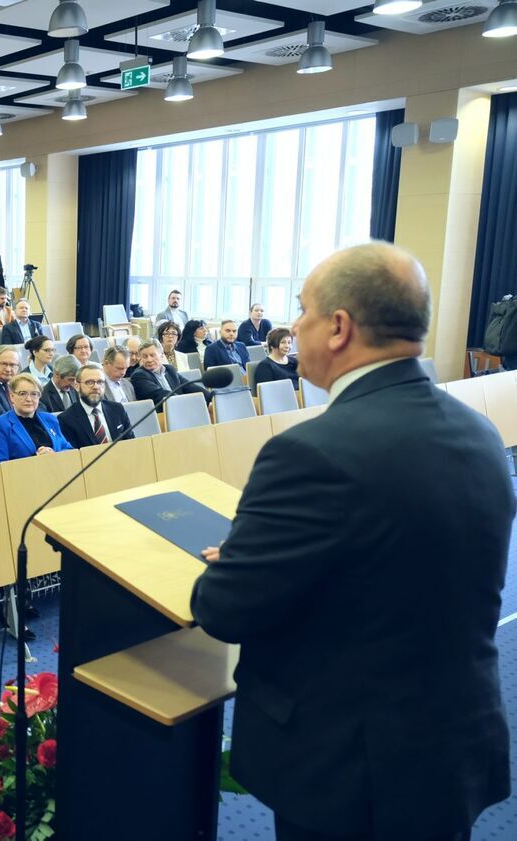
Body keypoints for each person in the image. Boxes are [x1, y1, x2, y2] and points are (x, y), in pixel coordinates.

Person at [191, 243, 515, 841]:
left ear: (339, 327)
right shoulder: (480, 432)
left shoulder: (312, 452)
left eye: (303, 310)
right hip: (451, 739)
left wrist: (237, 564)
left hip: (353, 765)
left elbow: (223, 608)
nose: (295, 326)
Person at [0, 373, 74, 462]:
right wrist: (35, 459)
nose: (29, 399)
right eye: (22, 393)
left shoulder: (50, 419)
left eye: (34, 394)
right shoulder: (0, 425)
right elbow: (0, 463)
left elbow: (69, 450)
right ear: (12, 396)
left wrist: (53, 454)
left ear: (39, 397)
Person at [58, 362, 134, 448]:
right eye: (89, 382)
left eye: (100, 382)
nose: (96, 387)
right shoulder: (66, 419)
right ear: (77, 386)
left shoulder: (117, 409)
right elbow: (71, 454)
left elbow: (131, 443)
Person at [130, 339, 210, 409]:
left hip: (181, 409)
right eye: (145, 356)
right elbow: (162, 396)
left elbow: (189, 386)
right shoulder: (139, 376)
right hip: (161, 416)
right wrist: (191, 403)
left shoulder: (169, 369)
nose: (149, 359)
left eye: (152, 355)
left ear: (161, 355)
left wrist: (211, 397)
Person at [250, 326, 300, 391]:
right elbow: (266, 393)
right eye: (283, 342)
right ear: (272, 346)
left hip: (300, 397)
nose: (287, 346)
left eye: (289, 342)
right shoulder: (265, 366)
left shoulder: (295, 362)